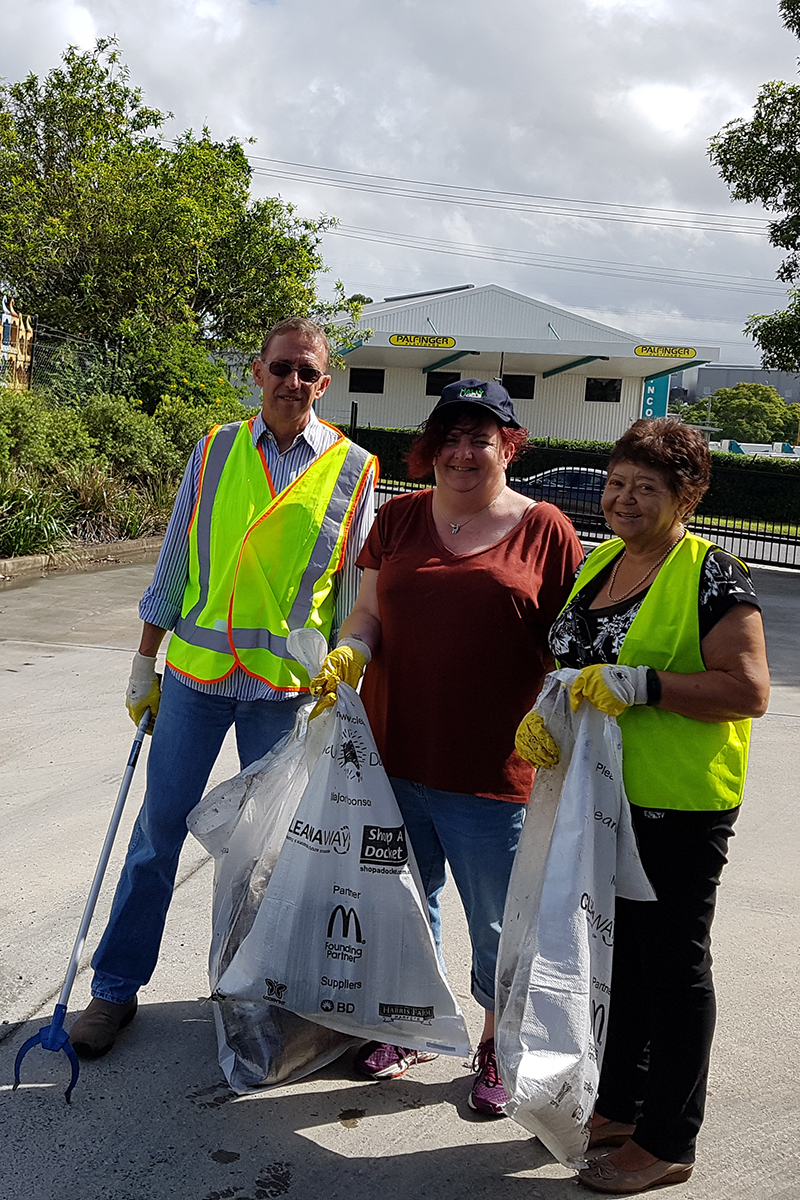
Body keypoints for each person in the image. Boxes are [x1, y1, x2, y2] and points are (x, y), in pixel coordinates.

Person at [69, 317, 378, 1058]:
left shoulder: (355, 468)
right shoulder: (214, 449)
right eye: (280, 368)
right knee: (157, 836)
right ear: (256, 371)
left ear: (324, 383)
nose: (291, 383)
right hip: (196, 680)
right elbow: (175, 559)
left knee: (263, 855)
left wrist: (347, 672)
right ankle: (114, 988)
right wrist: (146, 660)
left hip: (285, 691)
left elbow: (353, 590)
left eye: (307, 372)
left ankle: (248, 994)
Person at [309, 379, 584, 1115]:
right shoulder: (397, 519)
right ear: (430, 447)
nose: (465, 452)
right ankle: (410, 1028)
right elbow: (365, 611)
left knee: (498, 921)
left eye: (482, 437)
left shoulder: (545, 528)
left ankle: (497, 1043)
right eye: (451, 437)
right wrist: (349, 654)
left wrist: (561, 718)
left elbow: (572, 649)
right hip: (393, 757)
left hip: (494, 770)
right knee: (403, 903)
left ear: (509, 446)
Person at [515, 418, 770, 1193]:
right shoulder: (602, 563)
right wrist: (545, 712)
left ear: (686, 496)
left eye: (645, 488)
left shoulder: (710, 574)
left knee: (673, 969)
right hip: (601, 798)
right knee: (621, 963)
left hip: (678, 806)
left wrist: (648, 684)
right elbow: (574, 663)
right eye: (616, 483)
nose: (623, 499)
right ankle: (619, 1107)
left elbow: (750, 690)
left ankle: (667, 1139)